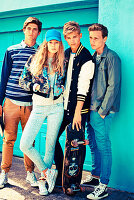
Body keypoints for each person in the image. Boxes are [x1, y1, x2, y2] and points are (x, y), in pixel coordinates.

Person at [0, 17, 42, 189]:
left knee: (30, 142)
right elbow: (3, 77)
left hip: (31, 105)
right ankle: (4, 174)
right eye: (28, 28)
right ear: (24, 30)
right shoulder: (11, 50)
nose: (31, 32)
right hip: (11, 103)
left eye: (35, 29)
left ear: (38, 32)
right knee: (8, 140)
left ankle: (30, 174)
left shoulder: (41, 53)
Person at [19, 29, 65, 196]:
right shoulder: (35, 59)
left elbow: (68, 82)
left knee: (50, 146)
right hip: (39, 106)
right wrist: (34, 86)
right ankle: (47, 171)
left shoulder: (63, 61)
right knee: (24, 143)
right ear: (46, 43)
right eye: (50, 42)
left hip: (57, 107)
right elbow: (22, 80)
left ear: (59, 44)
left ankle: (43, 182)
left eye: (56, 42)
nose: (53, 45)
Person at [81, 23, 121, 200]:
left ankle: (104, 185)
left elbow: (113, 86)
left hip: (101, 111)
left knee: (104, 147)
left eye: (96, 38)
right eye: (90, 38)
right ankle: (96, 176)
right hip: (90, 109)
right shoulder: (92, 57)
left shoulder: (112, 57)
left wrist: (102, 111)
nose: (92, 41)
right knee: (94, 144)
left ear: (105, 38)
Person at [54, 21, 94, 186]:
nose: (72, 41)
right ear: (65, 38)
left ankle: (73, 183)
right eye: (69, 38)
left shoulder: (87, 58)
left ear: (80, 35)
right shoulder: (66, 53)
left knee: (76, 146)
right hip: (63, 109)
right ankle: (60, 175)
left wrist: (78, 112)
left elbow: (83, 88)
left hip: (78, 111)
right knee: (53, 139)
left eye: (75, 37)